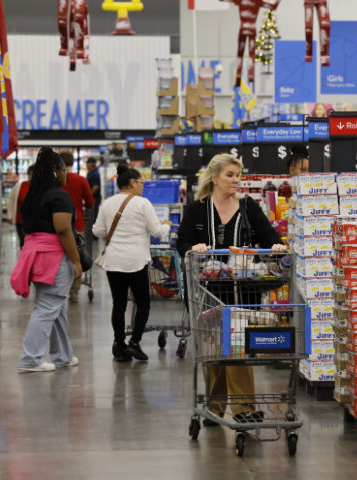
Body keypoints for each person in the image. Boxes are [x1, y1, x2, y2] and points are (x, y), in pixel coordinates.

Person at [176, 153, 286, 425]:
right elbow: (182, 243)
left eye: (238, 175)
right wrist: (194, 248)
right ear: (215, 178)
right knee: (212, 353)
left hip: (242, 294)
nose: (236, 180)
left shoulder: (249, 207)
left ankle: (243, 409)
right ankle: (214, 408)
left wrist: (276, 246)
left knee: (236, 348)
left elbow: (269, 235)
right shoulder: (197, 209)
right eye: (229, 175)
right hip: (206, 295)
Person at [10, 147, 82, 372]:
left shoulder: (31, 195)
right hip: (54, 257)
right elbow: (63, 230)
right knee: (48, 306)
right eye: (63, 170)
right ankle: (30, 358)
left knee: (56, 307)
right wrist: (76, 260)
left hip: (36, 255)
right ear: (54, 171)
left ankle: (63, 356)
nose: (65, 174)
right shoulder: (58, 196)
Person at [93, 164, 172, 362]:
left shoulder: (108, 204)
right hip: (136, 261)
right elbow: (156, 231)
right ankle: (135, 343)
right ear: (132, 182)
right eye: (141, 182)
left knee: (118, 306)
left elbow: (97, 231)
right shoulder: (143, 203)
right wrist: (166, 226)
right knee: (143, 303)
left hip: (114, 262)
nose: (143, 186)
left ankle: (119, 345)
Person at [59, 150, 94, 302]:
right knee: (76, 258)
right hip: (77, 225)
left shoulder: (54, 181)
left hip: (56, 226)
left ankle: (59, 290)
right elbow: (91, 203)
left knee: (59, 258)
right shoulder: (81, 180)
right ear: (72, 162)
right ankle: (74, 292)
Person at [9, 165, 35, 248]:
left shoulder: (41, 188)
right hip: (21, 222)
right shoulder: (19, 186)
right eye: (30, 174)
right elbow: (12, 201)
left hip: (35, 223)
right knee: (23, 243)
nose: (32, 176)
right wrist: (10, 215)